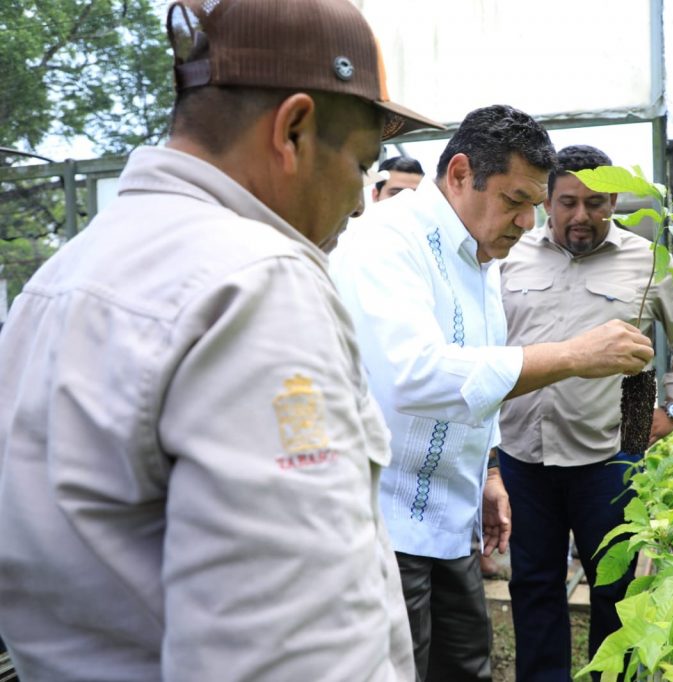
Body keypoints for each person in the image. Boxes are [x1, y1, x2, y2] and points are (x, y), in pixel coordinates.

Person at [0, 1, 444, 679]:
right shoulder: (257, 283)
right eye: (360, 163)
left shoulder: (59, 280)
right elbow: (293, 652)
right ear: (293, 129)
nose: (361, 203)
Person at [330, 107, 655, 682]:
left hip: (450, 524)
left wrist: (488, 471)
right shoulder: (388, 241)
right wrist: (573, 356)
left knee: (465, 665)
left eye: (533, 203)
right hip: (385, 528)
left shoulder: (480, 257)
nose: (528, 221)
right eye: (514, 200)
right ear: (460, 174)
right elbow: (417, 374)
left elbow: (479, 375)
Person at [496, 145, 673, 680]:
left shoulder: (648, 261)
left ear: (614, 200)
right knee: (533, 583)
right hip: (524, 455)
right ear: (548, 201)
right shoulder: (511, 256)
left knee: (613, 590)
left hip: (607, 457)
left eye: (595, 203)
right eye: (567, 202)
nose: (580, 216)